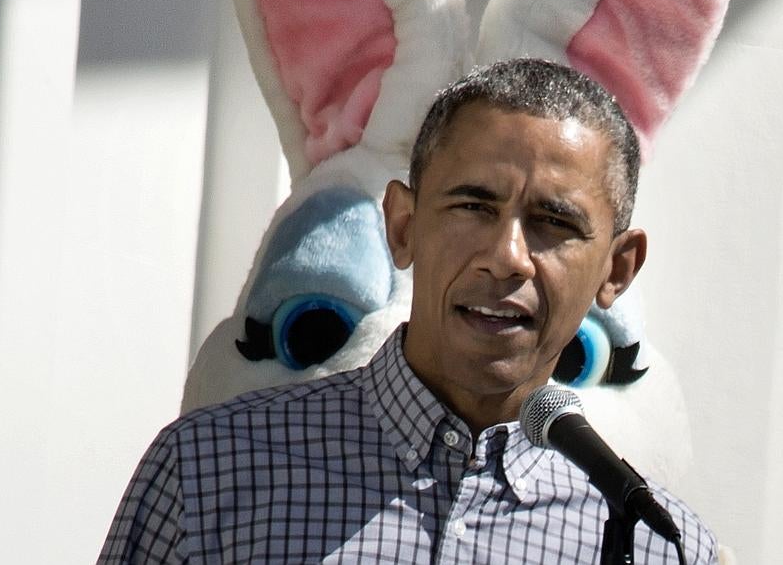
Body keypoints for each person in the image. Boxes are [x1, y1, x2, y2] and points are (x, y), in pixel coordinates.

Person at [98, 59, 718, 564]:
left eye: (554, 223)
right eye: (473, 206)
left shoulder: (655, 543)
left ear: (616, 270)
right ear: (402, 226)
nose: (507, 258)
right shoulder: (209, 471)